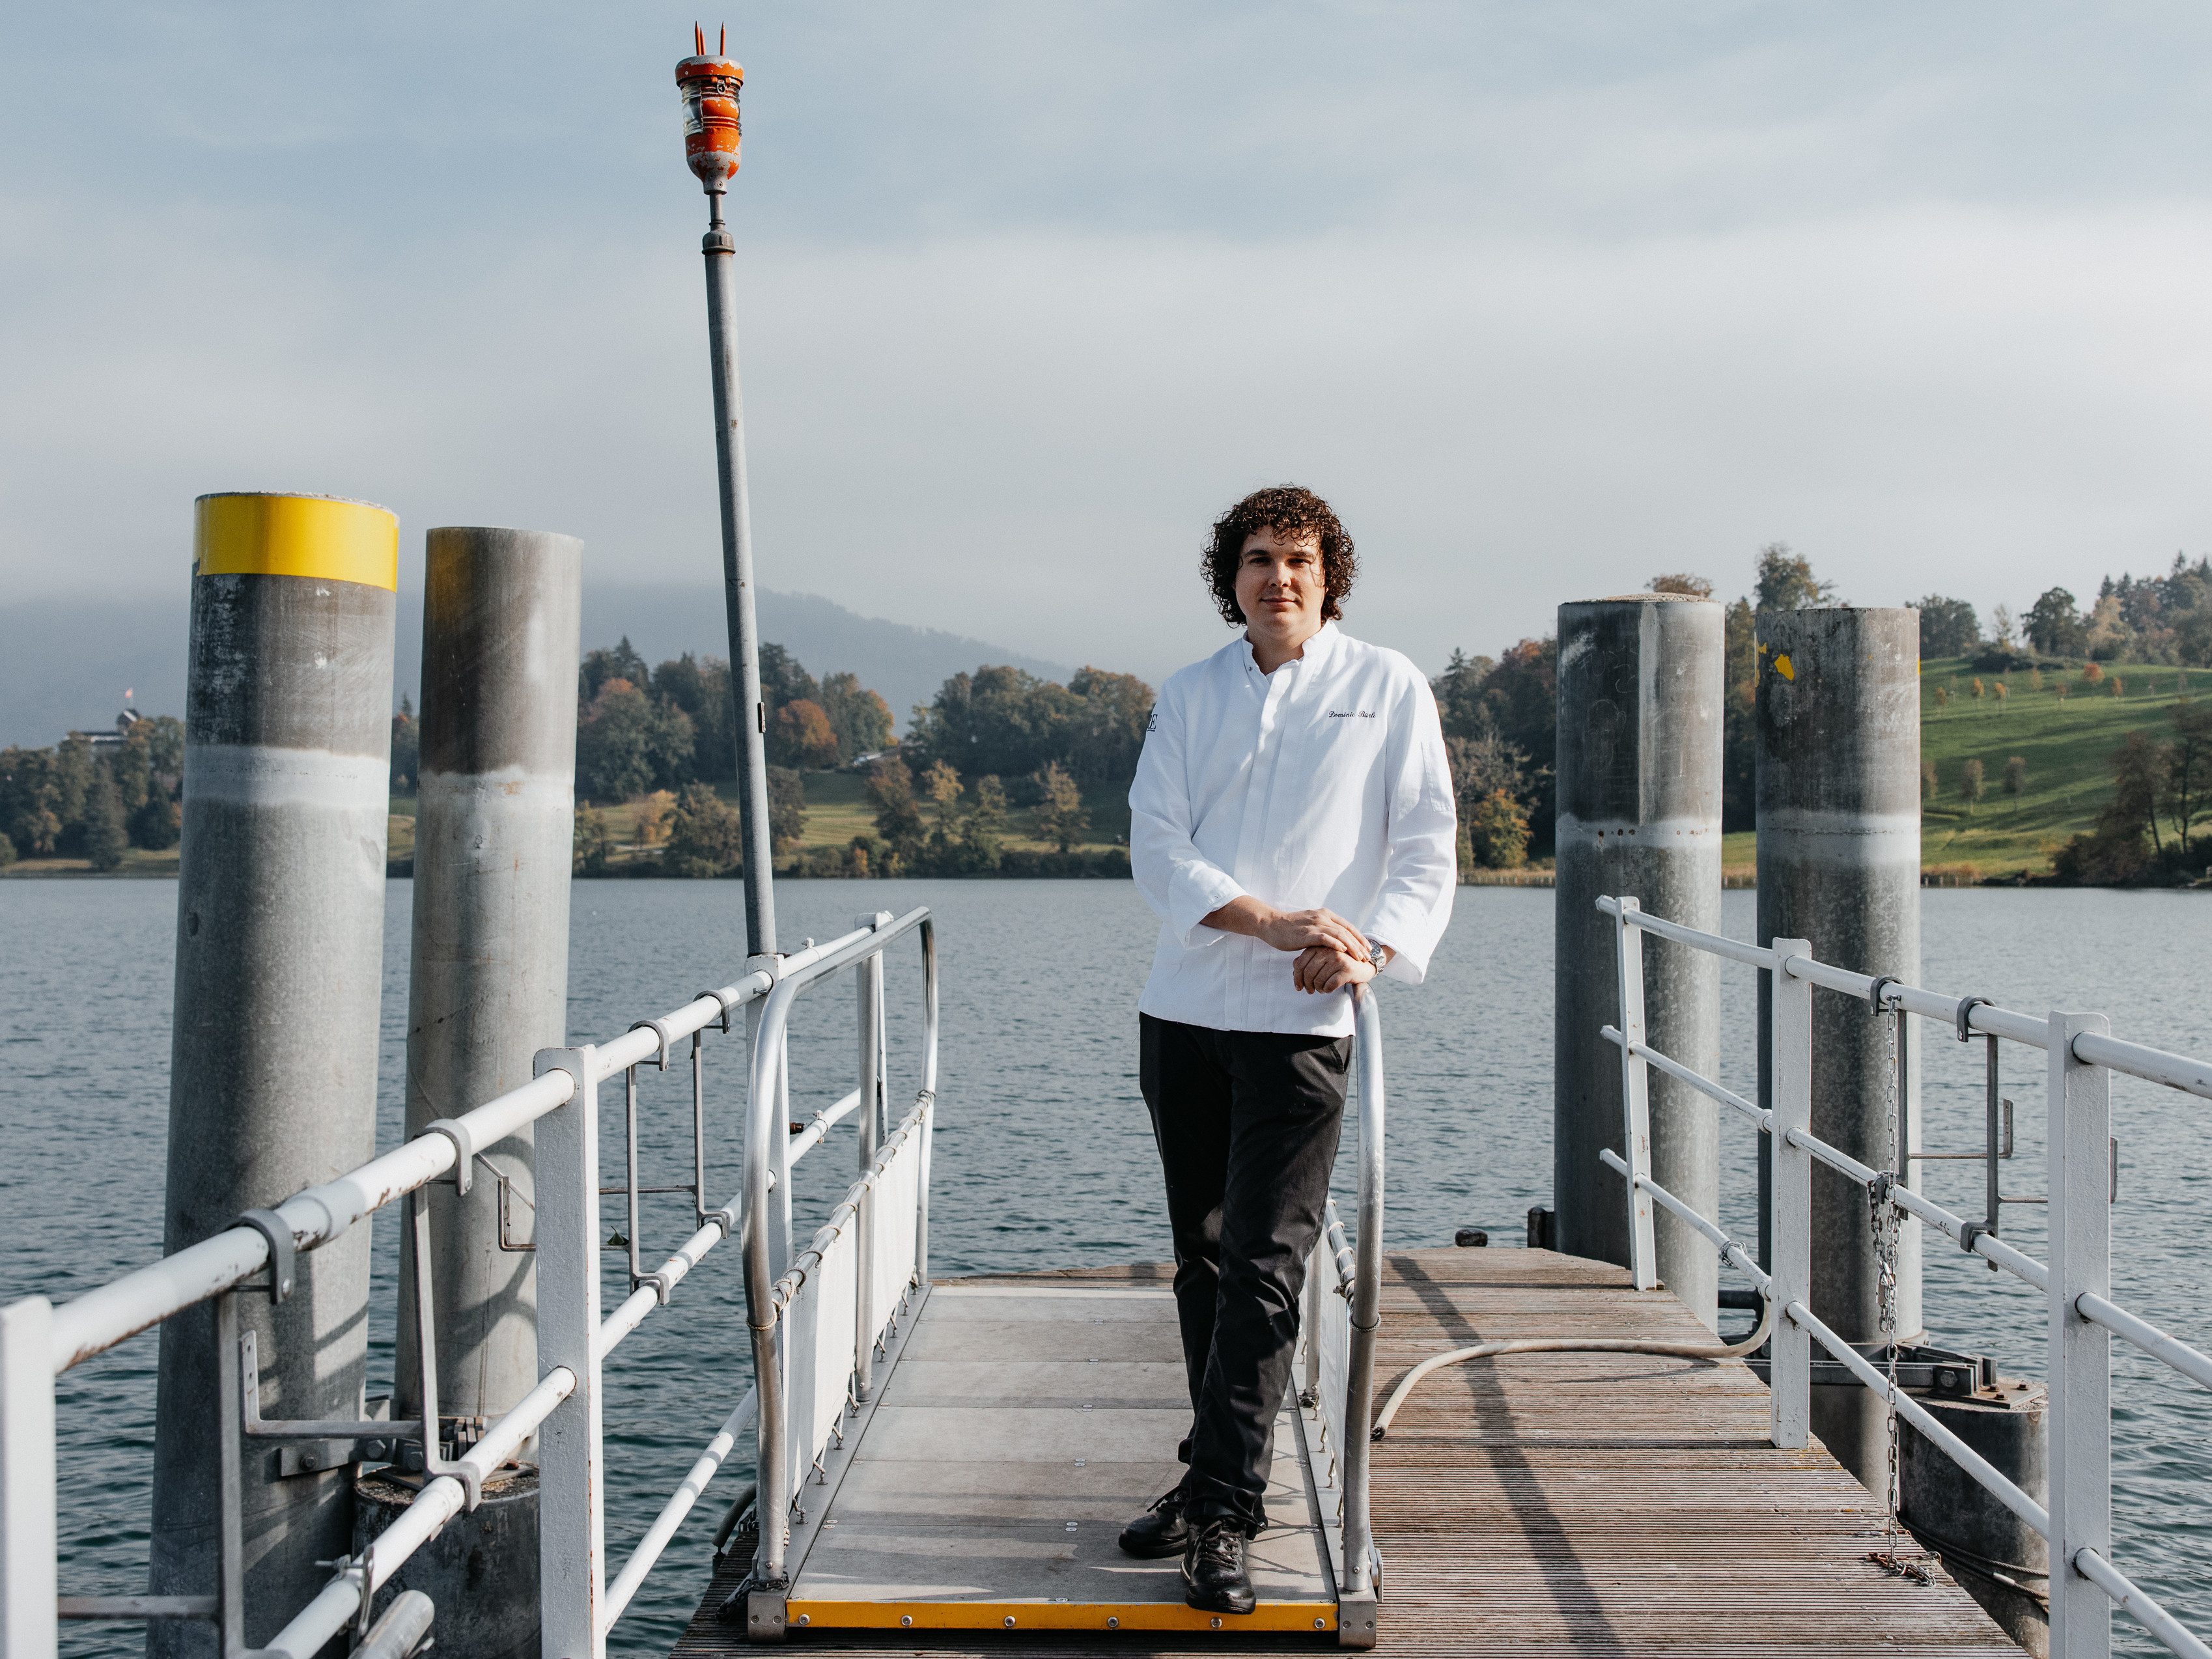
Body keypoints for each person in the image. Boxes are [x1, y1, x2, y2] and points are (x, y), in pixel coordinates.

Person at [1121, 484, 1457, 1613]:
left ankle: (1223, 1516)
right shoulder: (1190, 693)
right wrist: (1269, 922)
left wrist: (1374, 949)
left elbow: (1424, 843)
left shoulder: (1386, 687)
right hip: (1184, 1012)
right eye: (1259, 558)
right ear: (1232, 578)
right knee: (1206, 1263)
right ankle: (1210, 1472)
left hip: (1303, 1027)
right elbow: (1158, 851)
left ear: (1330, 575)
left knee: (1265, 1269)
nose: (1280, 577)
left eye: (1301, 558)